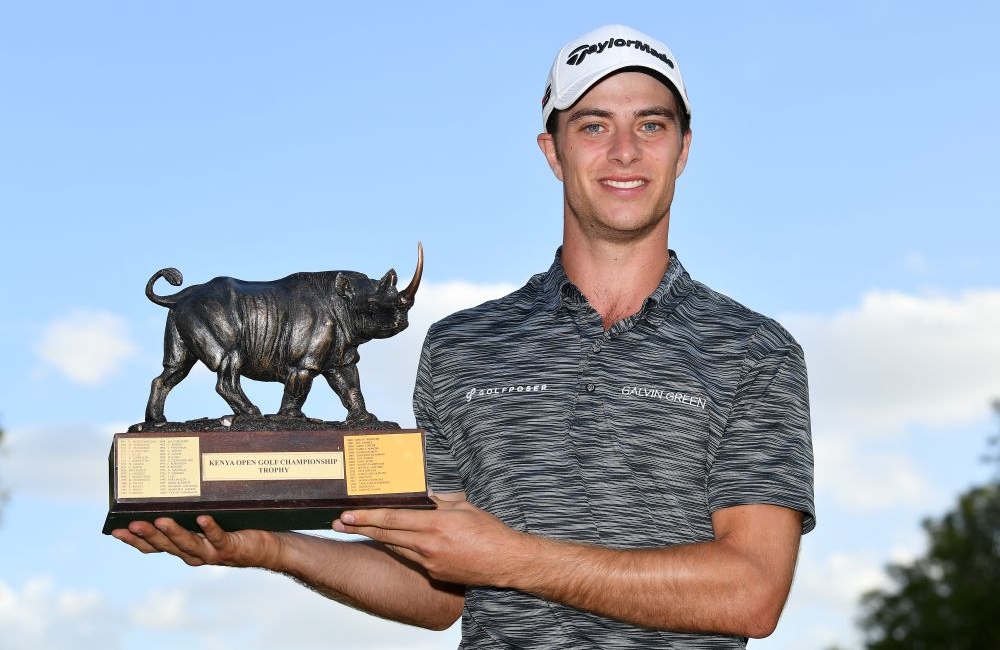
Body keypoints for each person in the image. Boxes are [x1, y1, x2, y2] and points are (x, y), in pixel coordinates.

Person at [113, 24, 815, 648]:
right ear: (553, 150)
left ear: (683, 149)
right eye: (594, 126)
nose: (624, 151)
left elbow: (750, 593)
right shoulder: (462, 347)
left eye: (651, 126)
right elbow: (437, 593)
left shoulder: (753, 350)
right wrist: (270, 547)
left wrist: (509, 557)